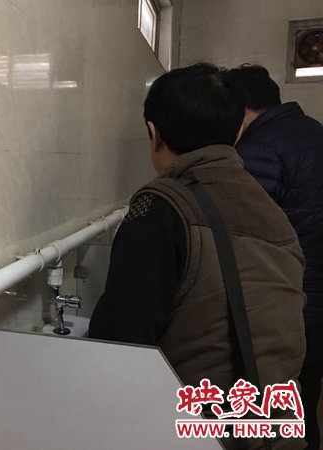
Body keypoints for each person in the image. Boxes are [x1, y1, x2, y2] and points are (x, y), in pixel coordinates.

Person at [88, 63, 306, 449]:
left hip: (196, 432)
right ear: (235, 133)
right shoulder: (270, 210)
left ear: (154, 133)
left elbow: (119, 343)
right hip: (271, 430)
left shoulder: (162, 205)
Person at [228, 63, 323, 450]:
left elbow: (248, 236)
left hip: (288, 300)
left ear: (240, 108)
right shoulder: (315, 131)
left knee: (273, 413)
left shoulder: (258, 150)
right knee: (305, 401)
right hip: (316, 298)